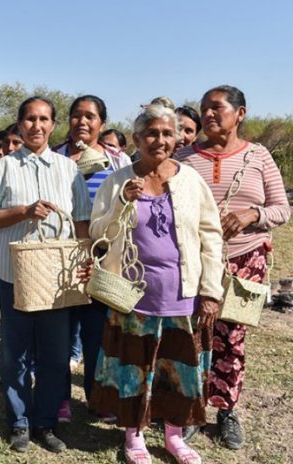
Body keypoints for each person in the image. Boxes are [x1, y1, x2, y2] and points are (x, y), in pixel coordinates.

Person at [88, 103, 224, 464]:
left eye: (167, 133)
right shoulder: (118, 181)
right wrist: (122, 203)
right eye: (151, 133)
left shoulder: (190, 179)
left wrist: (211, 291)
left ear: (177, 138)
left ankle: (175, 436)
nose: (159, 140)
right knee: (135, 366)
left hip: (183, 293)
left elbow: (211, 236)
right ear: (136, 139)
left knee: (177, 368)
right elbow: (98, 234)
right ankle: (134, 436)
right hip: (132, 294)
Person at [175, 85, 290, 449]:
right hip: (193, 261)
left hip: (246, 259)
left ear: (240, 113)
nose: (208, 114)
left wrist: (252, 214)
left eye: (217, 108)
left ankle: (226, 410)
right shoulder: (183, 157)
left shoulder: (258, 157)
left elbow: (282, 209)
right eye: (204, 108)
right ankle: (191, 409)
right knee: (192, 335)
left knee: (231, 336)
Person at [0, 96, 92, 454]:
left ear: (53, 124)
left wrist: (84, 259)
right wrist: (23, 212)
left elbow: (81, 222)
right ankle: (19, 421)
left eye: (44, 119)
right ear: (19, 123)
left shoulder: (67, 168)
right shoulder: (4, 166)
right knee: (15, 353)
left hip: (56, 279)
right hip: (12, 273)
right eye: (30, 119)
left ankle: (45, 422)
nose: (36, 126)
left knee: (55, 356)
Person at [53, 95, 132, 423]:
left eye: (90, 116)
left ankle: (96, 397)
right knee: (58, 332)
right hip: (58, 257)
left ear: (102, 122)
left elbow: (128, 208)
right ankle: (59, 399)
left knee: (96, 334)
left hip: (103, 258)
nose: (82, 122)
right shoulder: (55, 156)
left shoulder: (118, 161)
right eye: (76, 116)